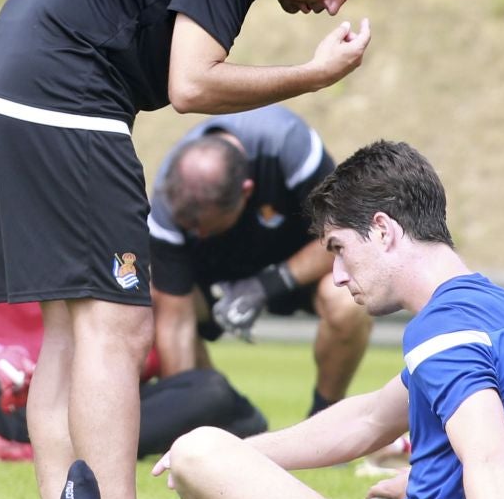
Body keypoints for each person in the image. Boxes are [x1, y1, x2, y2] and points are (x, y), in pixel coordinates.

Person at [0, 0, 403, 499]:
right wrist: (314, 77)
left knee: (68, 335)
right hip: (65, 103)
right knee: (119, 325)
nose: (332, 3)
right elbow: (192, 85)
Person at [0, 142, 504, 499]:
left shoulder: (443, 330)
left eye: (338, 247)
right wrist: (240, 464)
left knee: (201, 449)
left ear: (383, 231)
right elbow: (365, 421)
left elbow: (489, 457)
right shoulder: (493, 307)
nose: (335, 274)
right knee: (212, 463)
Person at [0, 206, 266, 461]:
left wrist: (93, 368)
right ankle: (49, 449)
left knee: (210, 392)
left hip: (87, 402)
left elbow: (139, 352)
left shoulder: (103, 238)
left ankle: (23, 452)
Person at [148, 105, 371, 416]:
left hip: (296, 267)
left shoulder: (289, 146)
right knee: (152, 296)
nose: (197, 233)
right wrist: (181, 418)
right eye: (189, 228)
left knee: (346, 301)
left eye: (205, 226)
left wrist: (264, 287)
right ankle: (216, 418)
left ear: (246, 192)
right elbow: (173, 322)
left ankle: (325, 417)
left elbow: (345, 236)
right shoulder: (166, 198)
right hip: (211, 279)